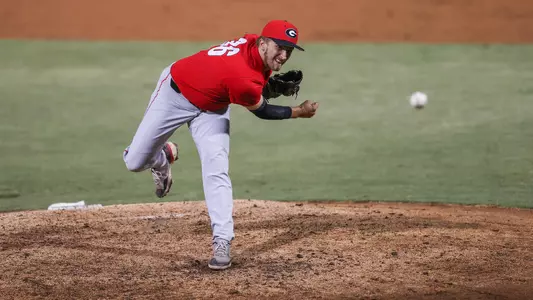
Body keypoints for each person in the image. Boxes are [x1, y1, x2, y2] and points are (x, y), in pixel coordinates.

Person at [122, 19, 319, 270]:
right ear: (262, 43)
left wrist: (264, 85)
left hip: (212, 109)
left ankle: (222, 240)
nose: (283, 56)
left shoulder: (251, 43)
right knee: (134, 162)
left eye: (288, 51)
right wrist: (298, 112)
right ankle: (162, 157)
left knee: (217, 169)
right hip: (174, 95)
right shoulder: (242, 77)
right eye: (279, 48)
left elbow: (245, 81)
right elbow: (263, 110)